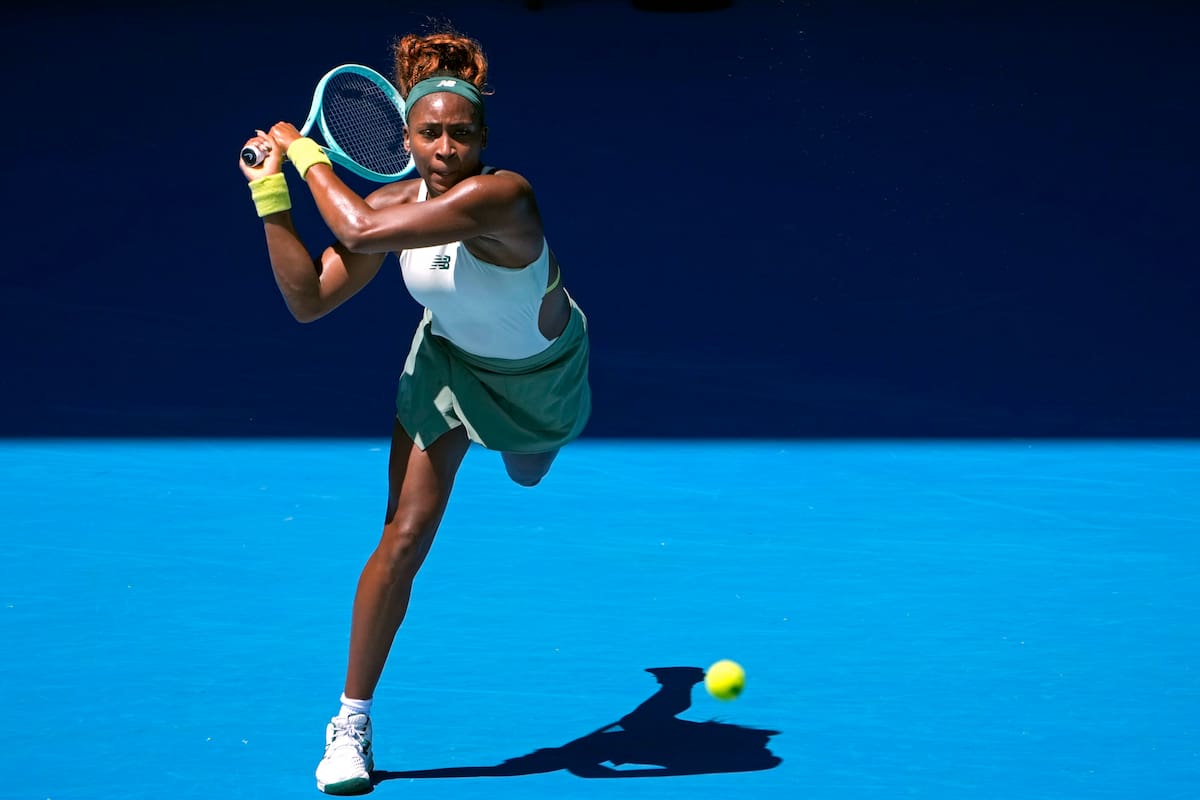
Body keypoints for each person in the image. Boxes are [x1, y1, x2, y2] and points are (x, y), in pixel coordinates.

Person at [237, 24, 591, 796]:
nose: (444, 147)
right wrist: (271, 196)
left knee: (527, 472)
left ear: (482, 138)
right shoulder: (397, 199)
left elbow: (357, 227)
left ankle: (529, 446)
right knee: (402, 534)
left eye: (460, 134)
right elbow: (310, 299)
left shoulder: (504, 197)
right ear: (406, 137)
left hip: (541, 379)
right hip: (446, 365)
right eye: (429, 133)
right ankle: (351, 722)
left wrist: (304, 155)